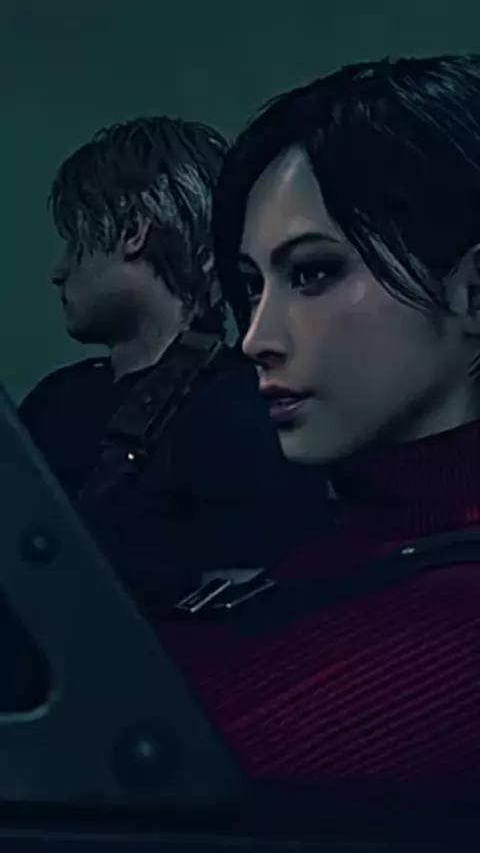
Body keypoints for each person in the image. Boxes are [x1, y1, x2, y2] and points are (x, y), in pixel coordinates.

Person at [154, 55, 480, 825]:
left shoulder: (453, 627)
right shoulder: (355, 543)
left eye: (313, 273)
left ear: (473, 292)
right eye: (253, 285)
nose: (256, 338)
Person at [19, 116, 328, 612]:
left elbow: (249, 629)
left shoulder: (243, 408)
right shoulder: (56, 399)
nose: (59, 271)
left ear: (132, 232)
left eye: (75, 243)